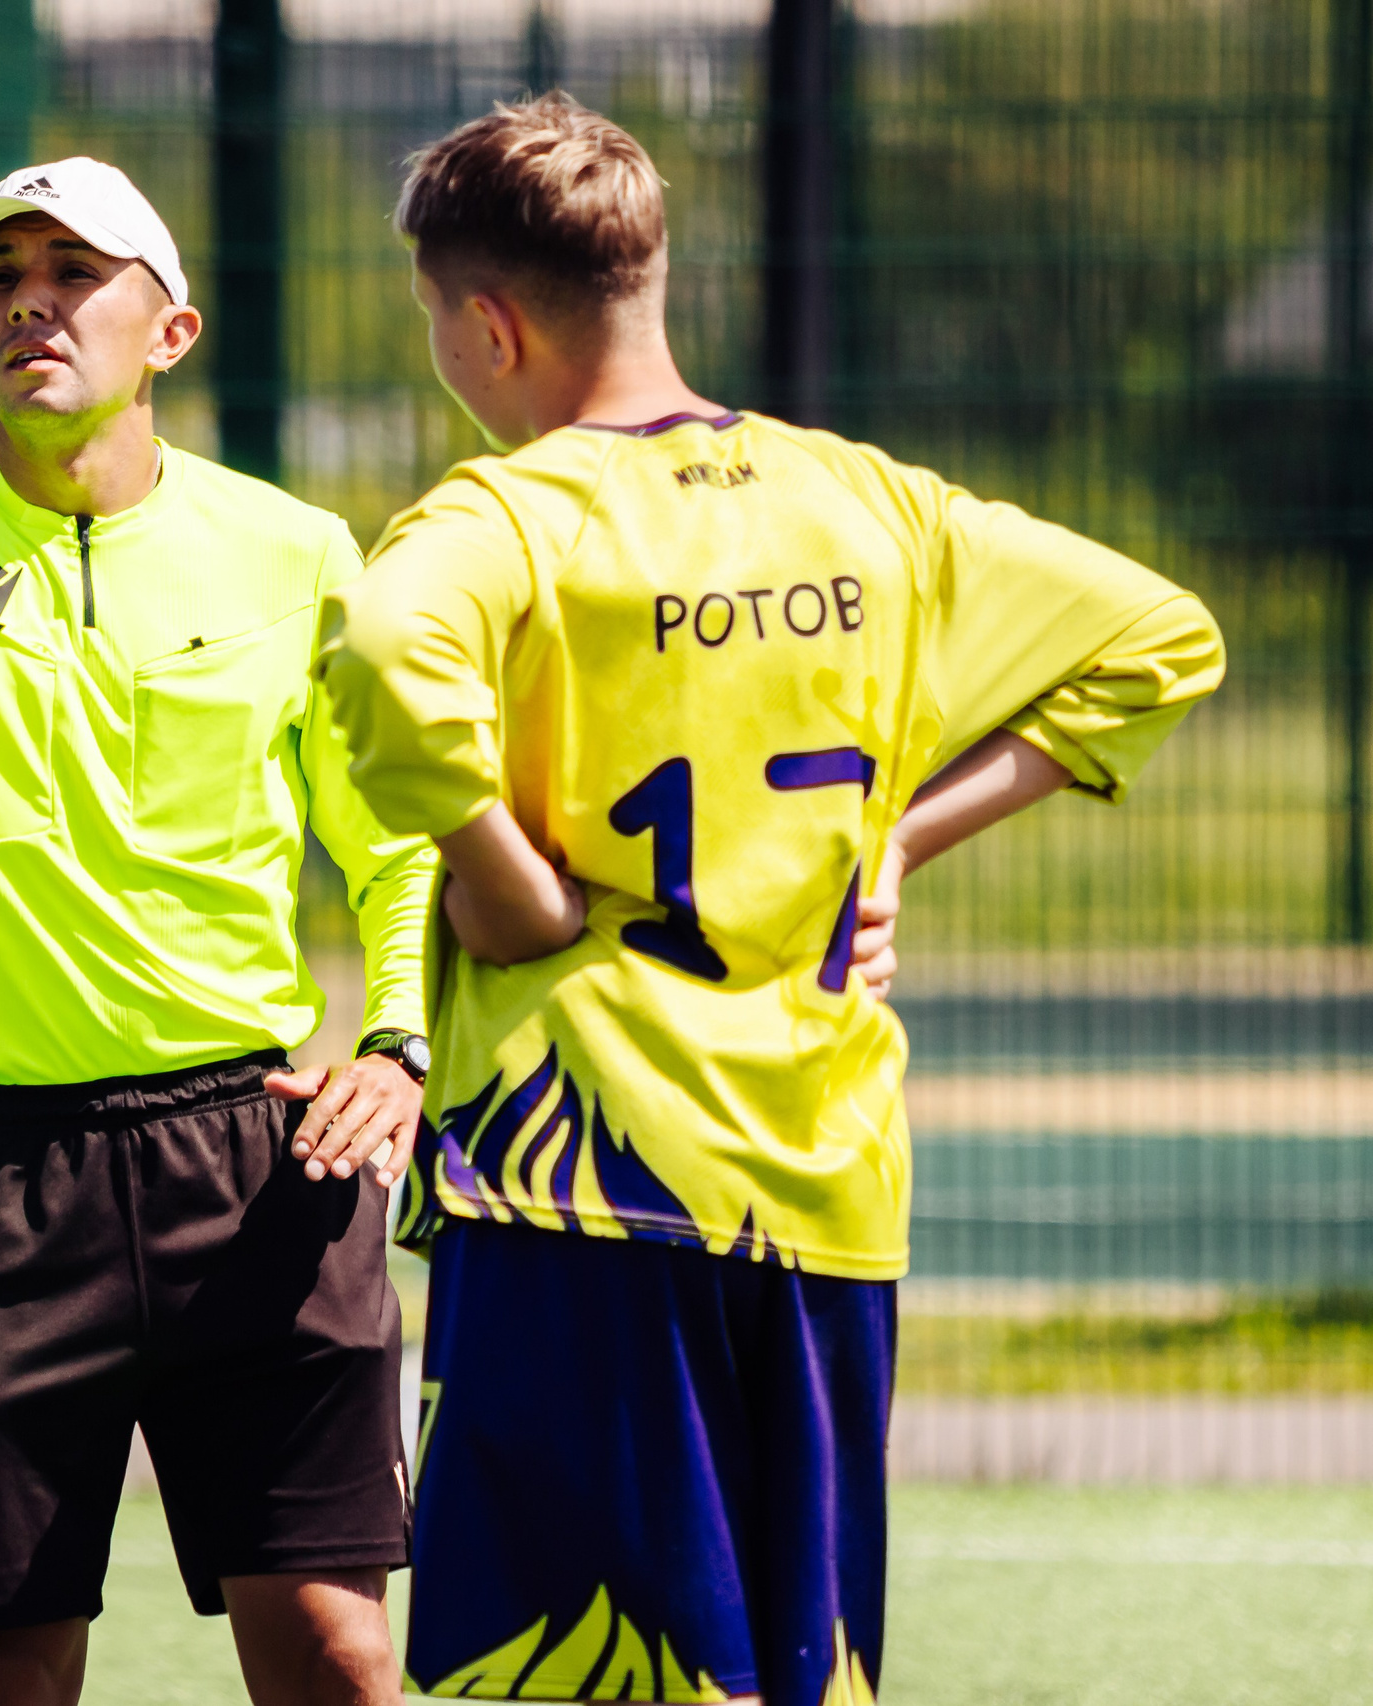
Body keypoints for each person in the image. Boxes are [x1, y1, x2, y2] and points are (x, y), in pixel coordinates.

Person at [316, 97, 1224, 1705]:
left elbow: (386, 660)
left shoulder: (504, 515)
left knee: (567, 1674)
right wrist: (900, 841)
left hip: (580, 1184)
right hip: (821, 1182)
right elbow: (1162, 638)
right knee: (796, 1666)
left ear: (489, 322)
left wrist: (499, 878)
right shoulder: (870, 501)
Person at [0, 156, 437, 1706]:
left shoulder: (303, 550)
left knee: (335, 1651)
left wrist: (396, 1039)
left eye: (77, 269)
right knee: (2, 1665)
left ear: (169, 331)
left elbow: (392, 844)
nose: (30, 298)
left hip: (256, 1162)